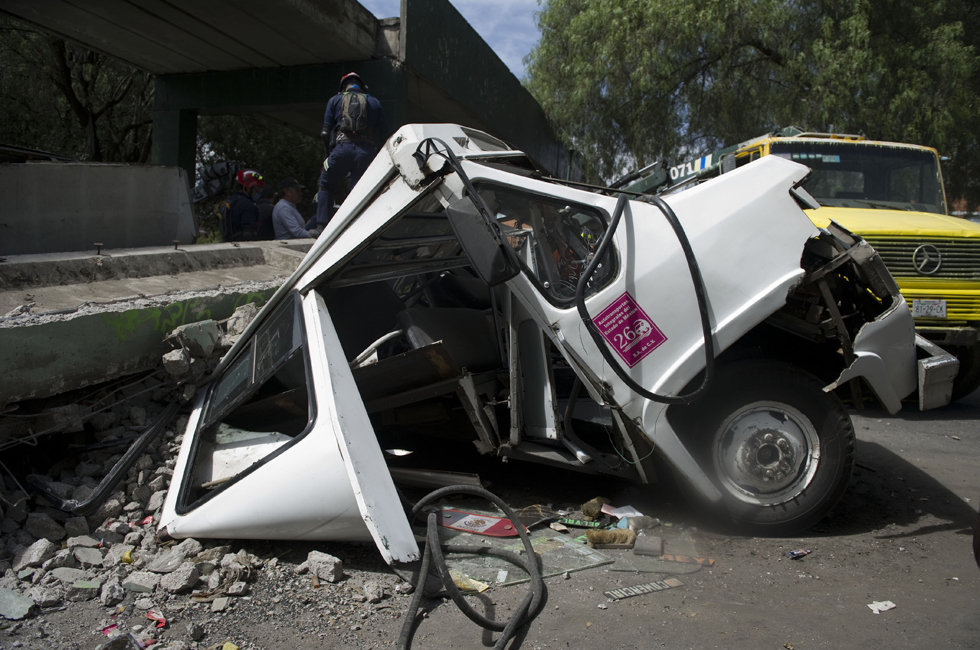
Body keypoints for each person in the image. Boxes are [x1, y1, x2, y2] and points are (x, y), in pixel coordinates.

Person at [313, 71, 387, 227]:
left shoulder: (335, 100)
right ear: (361, 86)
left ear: (343, 86)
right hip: (366, 152)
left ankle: (321, 226)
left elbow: (325, 133)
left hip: (341, 149)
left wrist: (329, 154)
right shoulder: (374, 102)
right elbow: (384, 134)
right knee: (359, 190)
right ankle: (358, 226)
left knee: (325, 183)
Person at [223, 169, 264, 241]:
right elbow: (249, 234)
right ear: (247, 188)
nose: (258, 192)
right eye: (256, 188)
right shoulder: (248, 205)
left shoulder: (230, 201)